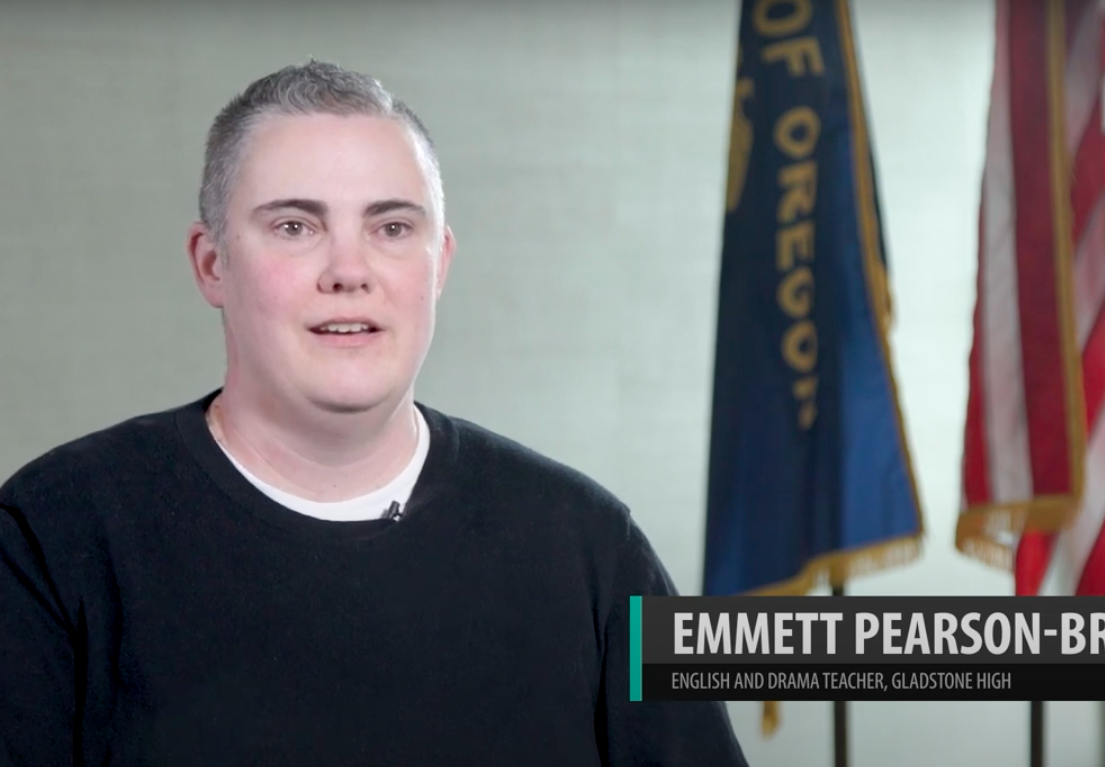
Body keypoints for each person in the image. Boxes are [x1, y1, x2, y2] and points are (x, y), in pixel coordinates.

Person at [0, 60, 749, 766]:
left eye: (392, 227)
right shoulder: (53, 532)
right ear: (212, 264)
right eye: (295, 226)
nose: (349, 272)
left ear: (440, 263)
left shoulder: (591, 542)